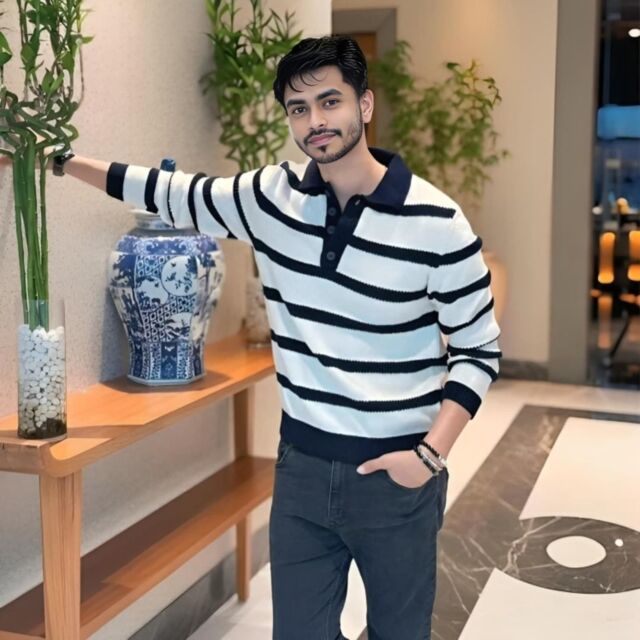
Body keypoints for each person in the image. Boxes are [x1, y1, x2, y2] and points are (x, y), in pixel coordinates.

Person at [0, 35, 501, 640]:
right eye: (299, 108)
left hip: (396, 480)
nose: (315, 121)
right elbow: (167, 191)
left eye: (330, 101)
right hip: (302, 473)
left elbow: (478, 350)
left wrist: (426, 458)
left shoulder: (438, 222)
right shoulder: (270, 199)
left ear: (364, 105)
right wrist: (55, 160)